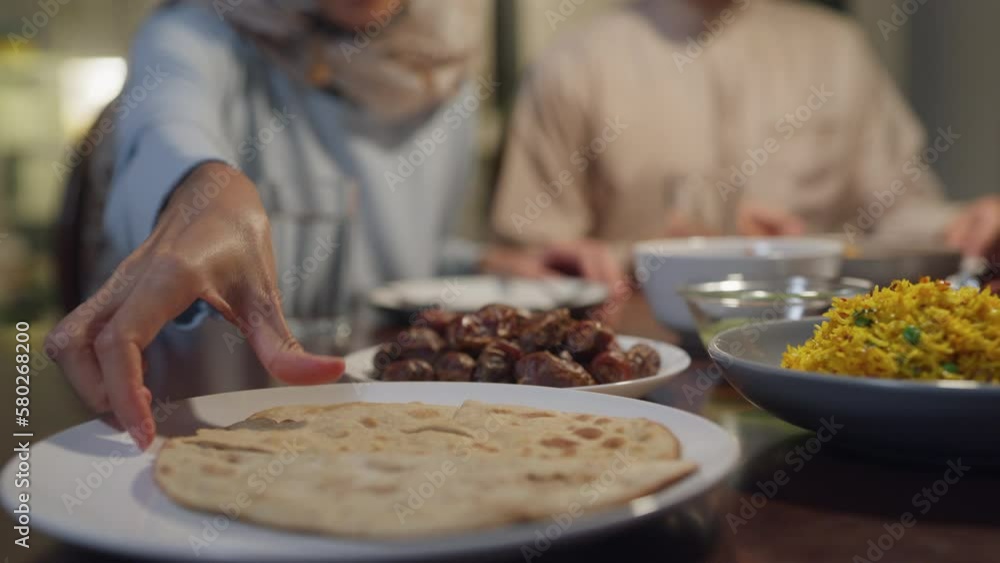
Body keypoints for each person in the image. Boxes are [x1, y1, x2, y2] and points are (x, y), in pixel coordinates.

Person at [46, 0, 621, 449]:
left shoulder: (443, 73)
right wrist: (197, 188)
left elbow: (392, 263)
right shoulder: (198, 32)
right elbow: (164, 127)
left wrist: (483, 264)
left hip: (388, 436)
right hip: (202, 429)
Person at [492, 0, 1000, 259]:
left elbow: (900, 212)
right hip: (645, 381)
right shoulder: (573, 63)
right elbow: (533, 257)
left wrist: (966, 227)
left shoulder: (836, 48)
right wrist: (648, 260)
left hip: (824, 370)